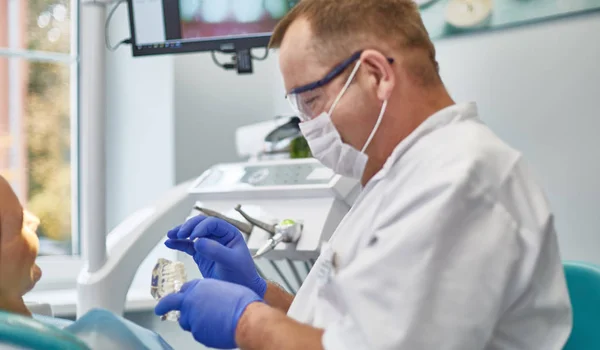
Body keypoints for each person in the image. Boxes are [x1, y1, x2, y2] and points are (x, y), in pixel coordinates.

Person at [155, 0, 573, 349]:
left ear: (375, 74)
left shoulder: (460, 182)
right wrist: (262, 294)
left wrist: (246, 321)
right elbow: (343, 332)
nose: (307, 125)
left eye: (312, 100)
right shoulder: (396, 178)